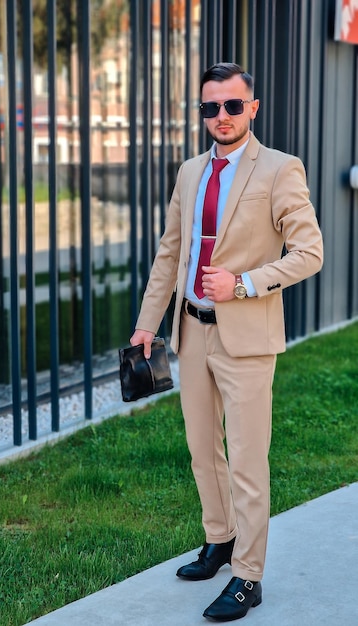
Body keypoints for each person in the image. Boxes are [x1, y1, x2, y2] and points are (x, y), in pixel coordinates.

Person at [130, 62, 323, 622]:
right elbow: (171, 253)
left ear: (252, 109)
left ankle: (248, 575)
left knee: (245, 459)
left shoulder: (282, 170)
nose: (221, 116)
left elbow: (309, 253)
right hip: (191, 332)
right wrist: (149, 322)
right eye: (210, 107)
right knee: (202, 451)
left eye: (232, 106)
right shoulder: (190, 171)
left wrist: (242, 283)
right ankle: (219, 541)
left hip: (247, 338)